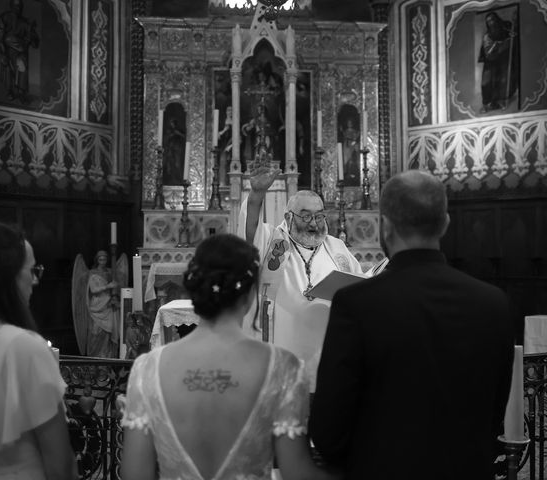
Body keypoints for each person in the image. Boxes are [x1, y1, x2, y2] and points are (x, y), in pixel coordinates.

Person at [309, 170, 515, 479]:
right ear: (445, 223)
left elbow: (328, 432)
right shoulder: (493, 303)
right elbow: (494, 412)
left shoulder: (357, 304)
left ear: (385, 226)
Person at [119, 234, 339, 480]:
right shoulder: (282, 368)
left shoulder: (146, 368)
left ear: (194, 289)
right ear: (249, 293)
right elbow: (297, 474)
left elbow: (134, 475)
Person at [238, 166, 364, 390]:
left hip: (328, 352)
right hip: (283, 350)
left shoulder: (336, 247)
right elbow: (249, 231)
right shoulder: (271, 240)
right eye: (306, 217)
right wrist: (256, 195)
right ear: (288, 216)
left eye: (319, 216)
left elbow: (358, 284)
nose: (314, 224)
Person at [0, 220, 76, 479]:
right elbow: (60, 466)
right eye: (33, 270)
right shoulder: (22, 347)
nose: (35, 281)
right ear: (7, 277)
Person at [0, 0, 40, 104]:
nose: (17, 8)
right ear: (11, 6)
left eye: (19, 6)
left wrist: (31, 31)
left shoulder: (25, 22)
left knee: (22, 68)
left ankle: (21, 93)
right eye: (15, 6)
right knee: (9, 71)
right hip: (7, 50)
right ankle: (11, 91)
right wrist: (1, 53)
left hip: (21, 51)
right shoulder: (4, 17)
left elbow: (35, 43)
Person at [478, 10, 519, 113]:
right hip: (490, 61)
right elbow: (487, 51)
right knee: (486, 83)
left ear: (496, 19)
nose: (491, 22)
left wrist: (512, 37)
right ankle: (487, 103)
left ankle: (500, 101)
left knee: (502, 80)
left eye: (492, 19)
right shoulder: (487, 36)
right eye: (488, 21)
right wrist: (494, 47)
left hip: (503, 60)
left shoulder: (506, 27)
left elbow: (512, 38)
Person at [162, 118, 187, 185]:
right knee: (170, 164)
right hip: (170, 149)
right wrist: (170, 136)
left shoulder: (179, 130)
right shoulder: (169, 131)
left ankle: (178, 179)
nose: (172, 124)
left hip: (177, 149)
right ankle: (171, 179)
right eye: (171, 123)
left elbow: (185, 137)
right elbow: (166, 139)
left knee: (177, 164)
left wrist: (178, 134)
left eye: (173, 123)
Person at [340, 119, 360, 186]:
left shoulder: (354, 131)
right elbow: (345, 137)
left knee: (352, 159)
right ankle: (347, 173)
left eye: (350, 123)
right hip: (347, 146)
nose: (349, 124)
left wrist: (353, 143)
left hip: (352, 146)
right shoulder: (346, 131)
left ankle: (353, 172)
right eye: (348, 123)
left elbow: (355, 138)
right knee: (347, 159)